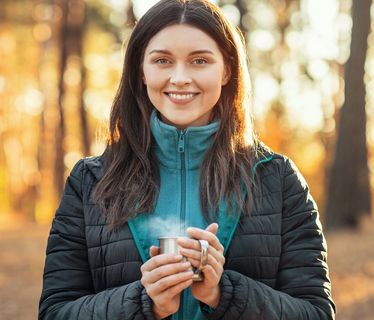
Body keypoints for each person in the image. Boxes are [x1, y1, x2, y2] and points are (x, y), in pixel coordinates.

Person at [38, 0, 335, 319]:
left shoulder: (277, 178)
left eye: (199, 61)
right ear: (141, 69)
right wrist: (144, 303)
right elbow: (56, 312)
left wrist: (223, 293)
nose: (180, 77)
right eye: (163, 60)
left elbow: (316, 312)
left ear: (226, 70)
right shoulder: (90, 180)